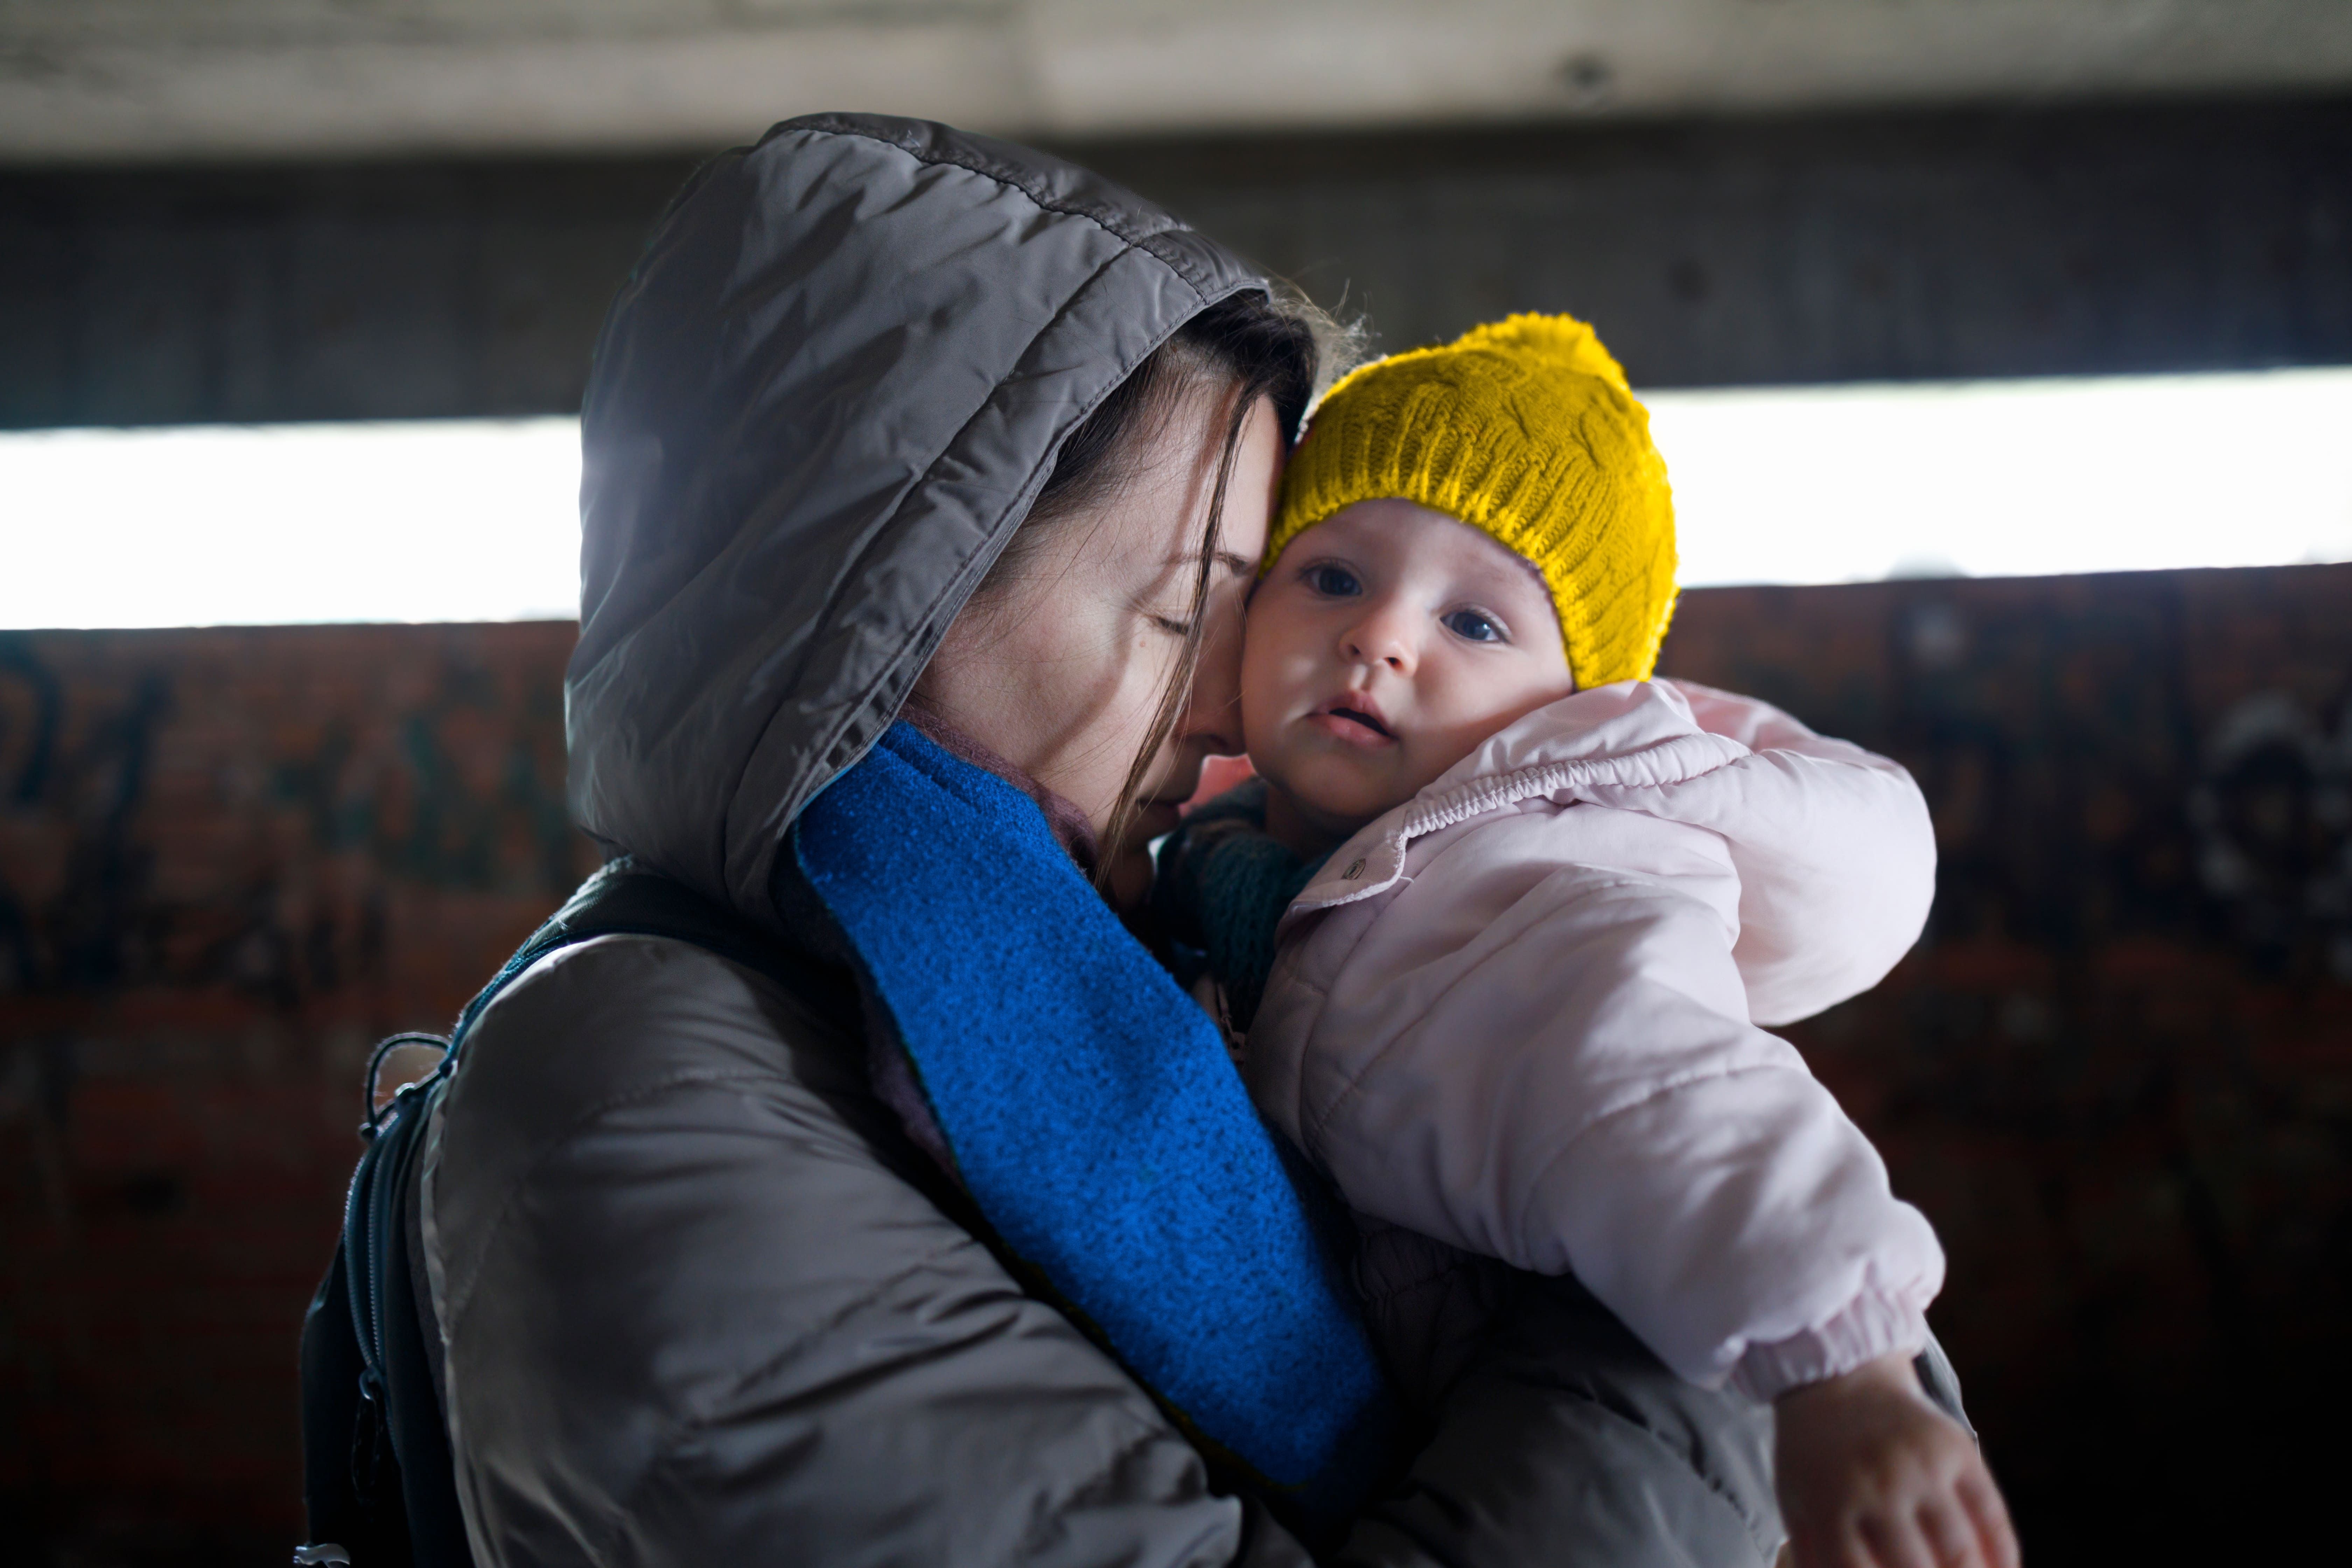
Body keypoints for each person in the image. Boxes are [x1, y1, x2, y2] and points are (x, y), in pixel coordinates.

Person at [418, 114, 1802, 1567]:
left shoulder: (1116, 962)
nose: (1232, 706)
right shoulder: (645, 1105)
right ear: (898, 589)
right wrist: (1680, 1260)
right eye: (1178, 613)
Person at [1157, 315, 2021, 1568]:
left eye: (1479, 625)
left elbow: (1672, 1091)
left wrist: (1844, 1376)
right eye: (1333, 575)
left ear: (1572, 708)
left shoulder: (1539, 883)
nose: (1381, 637)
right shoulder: (1228, 868)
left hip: (1674, 1395)